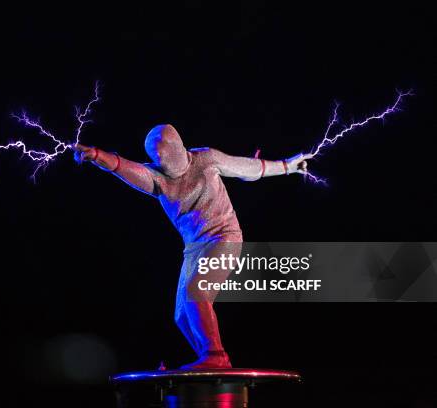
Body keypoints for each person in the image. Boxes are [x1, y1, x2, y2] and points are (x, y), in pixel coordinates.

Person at [73, 124, 311, 369]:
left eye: (165, 152)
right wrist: (97, 155)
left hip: (224, 238)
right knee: (181, 315)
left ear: (179, 147)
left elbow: (248, 167)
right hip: (194, 249)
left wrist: (287, 166)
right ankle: (210, 360)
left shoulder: (206, 159)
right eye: (156, 156)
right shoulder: (157, 178)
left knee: (196, 292)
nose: (162, 159)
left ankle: (216, 355)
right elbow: (123, 166)